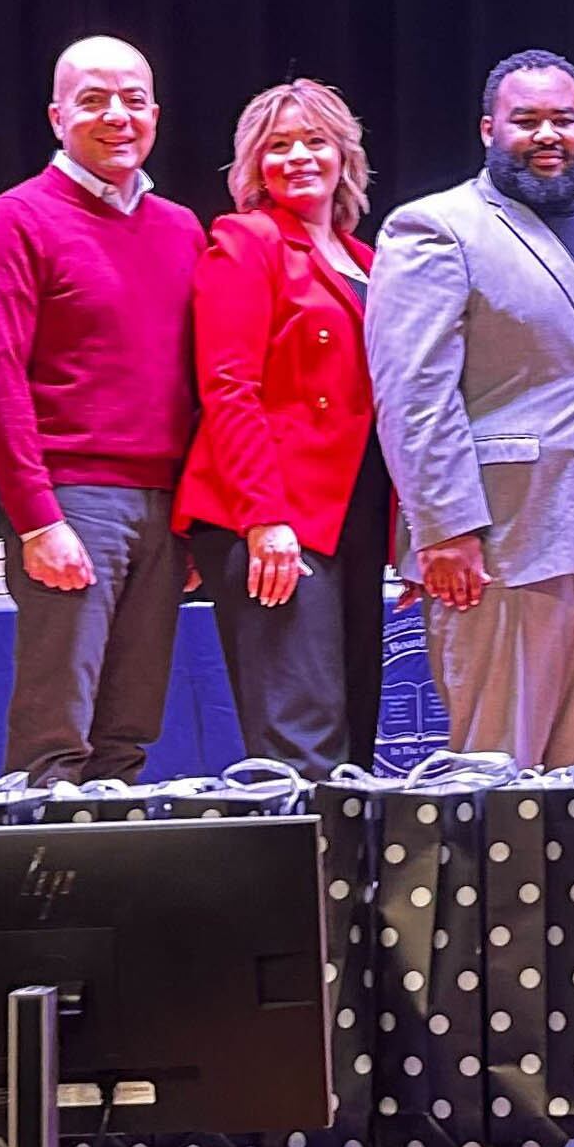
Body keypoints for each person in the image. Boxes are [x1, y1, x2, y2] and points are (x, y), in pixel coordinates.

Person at [366, 48, 574, 769]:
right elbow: (413, 392)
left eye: (563, 119)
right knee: (496, 776)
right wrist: (445, 529)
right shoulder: (435, 228)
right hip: (500, 545)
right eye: (525, 120)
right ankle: (491, 891)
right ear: (488, 128)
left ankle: (563, 892)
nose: (547, 134)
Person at [0, 35, 205, 788]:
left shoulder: (183, 228)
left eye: (133, 99)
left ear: (156, 113)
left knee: (129, 732)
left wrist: (196, 519)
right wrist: (37, 519)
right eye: (94, 99)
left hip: (165, 510)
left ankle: (110, 900)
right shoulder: (16, 220)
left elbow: (200, 384)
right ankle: (41, 901)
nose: (116, 115)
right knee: (55, 736)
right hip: (71, 502)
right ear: (57, 114)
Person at [174, 79, 389, 777]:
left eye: (314, 140)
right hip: (274, 517)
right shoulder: (247, 240)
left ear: (343, 154)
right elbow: (228, 387)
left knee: (356, 740)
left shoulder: (367, 260)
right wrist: (263, 518)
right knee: (304, 748)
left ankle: (357, 889)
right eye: (278, 145)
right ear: (253, 164)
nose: (298, 155)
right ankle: (308, 889)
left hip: (352, 518)